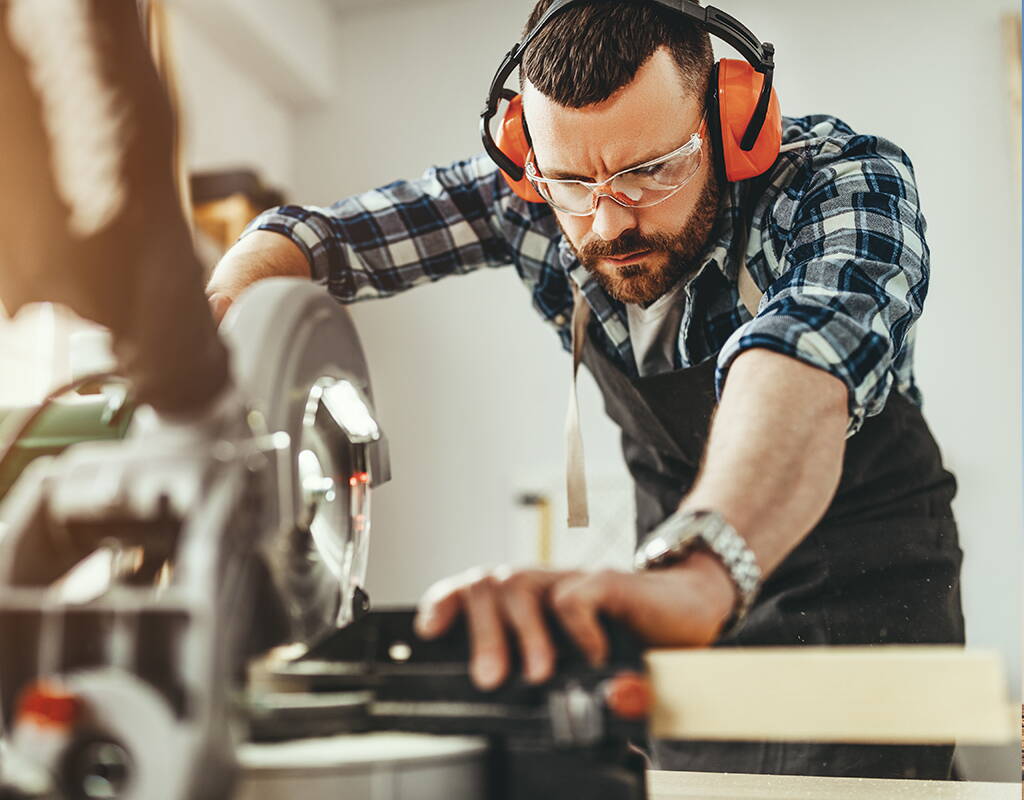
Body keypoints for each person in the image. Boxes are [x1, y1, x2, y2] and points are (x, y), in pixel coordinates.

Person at [207, 0, 964, 779]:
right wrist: (208, 334)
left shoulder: (839, 183)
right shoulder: (529, 196)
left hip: (859, 595)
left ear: (733, 120)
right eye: (571, 181)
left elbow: (799, 359)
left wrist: (702, 572)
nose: (607, 223)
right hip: (678, 615)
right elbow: (314, 241)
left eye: (650, 172)